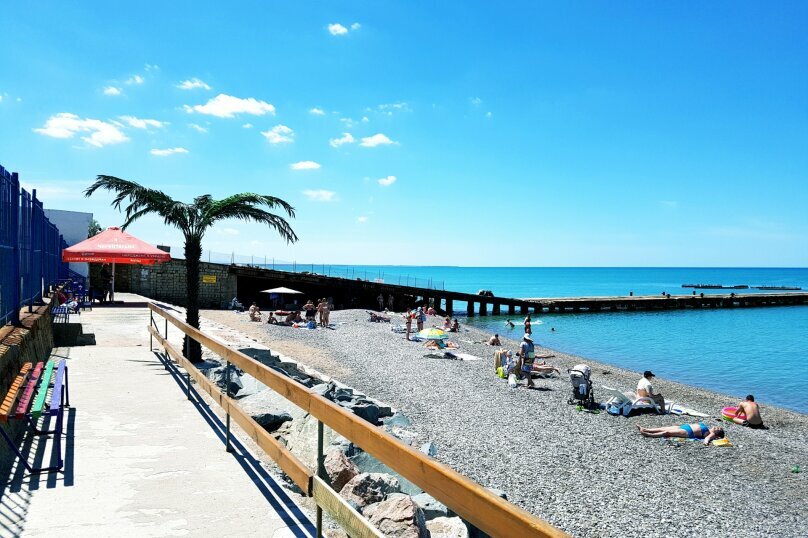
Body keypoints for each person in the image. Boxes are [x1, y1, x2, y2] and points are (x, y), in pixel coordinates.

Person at [637, 423, 725, 445]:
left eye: (719, 429)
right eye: (719, 427)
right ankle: (645, 429)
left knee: (667, 432)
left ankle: (648, 434)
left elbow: (707, 439)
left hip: (688, 432)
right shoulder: (708, 428)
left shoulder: (711, 434)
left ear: (717, 434)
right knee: (663, 428)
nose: (718, 427)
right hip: (685, 426)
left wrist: (706, 442)